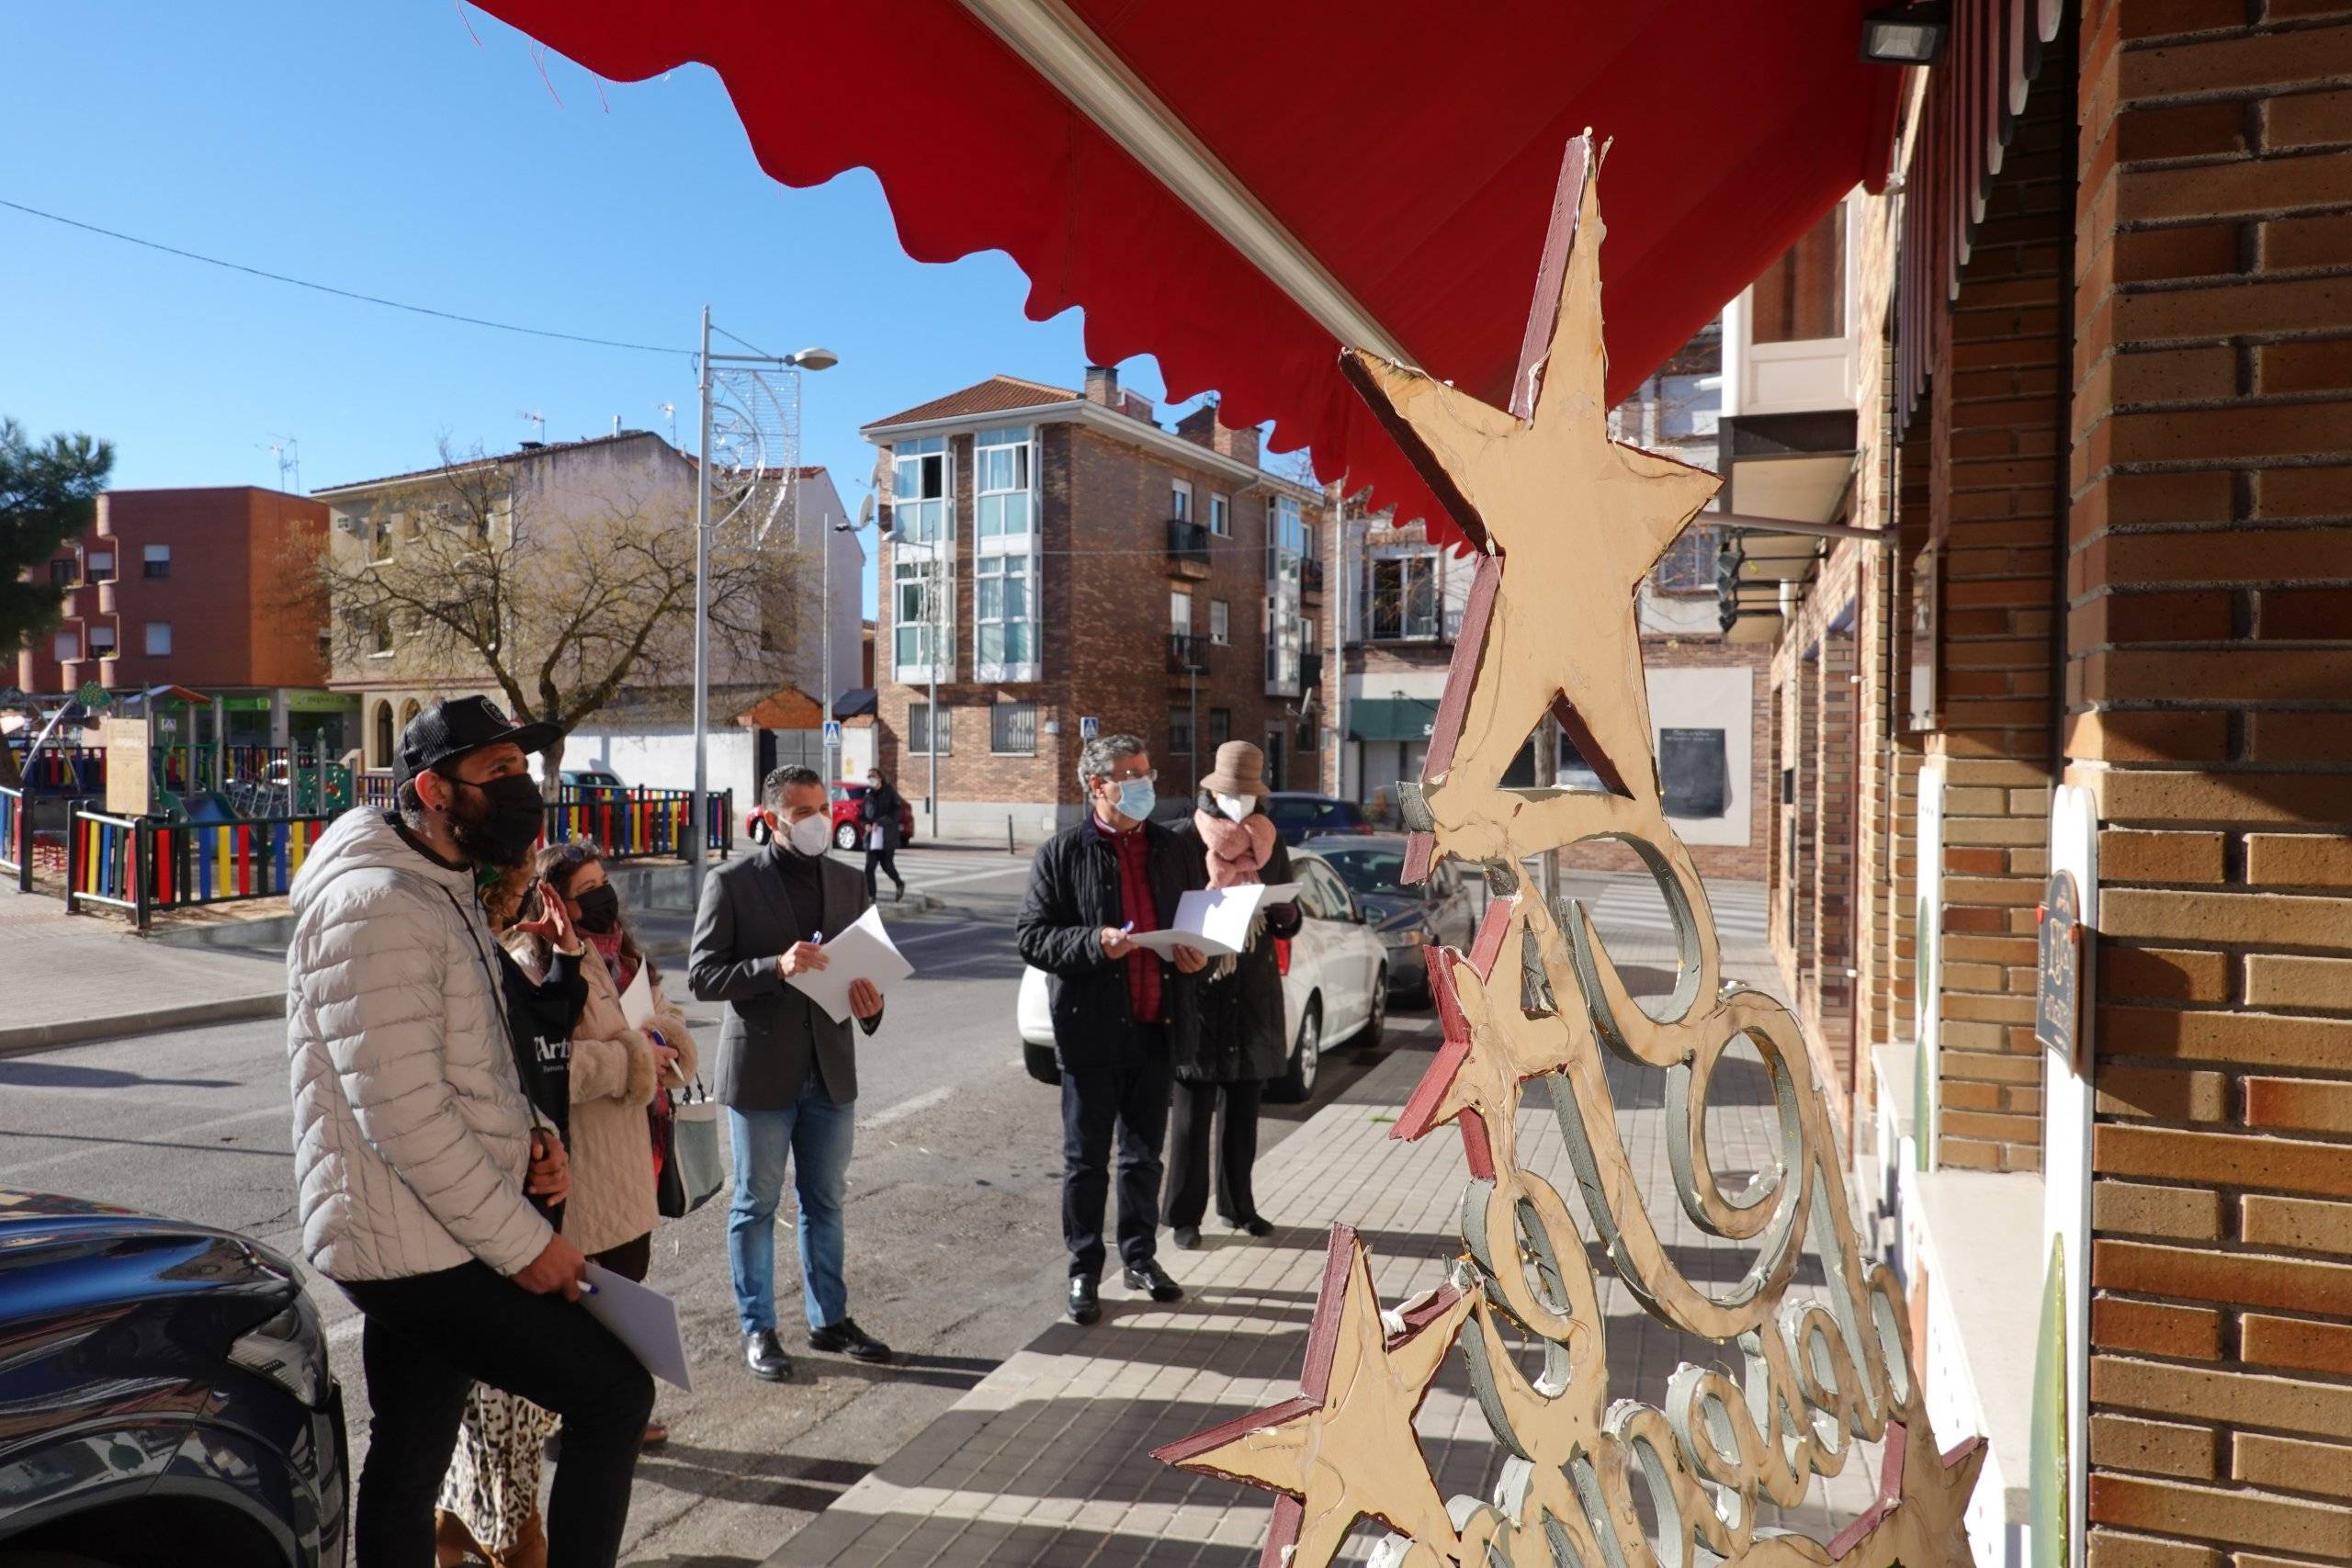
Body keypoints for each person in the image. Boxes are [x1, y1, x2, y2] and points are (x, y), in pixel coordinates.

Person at [285, 695, 654, 1568]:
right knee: (612, 1394)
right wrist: (529, 1245)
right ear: (431, 788)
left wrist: (531, 1132)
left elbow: (473, 1057)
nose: (523, 791)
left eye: (524, 770)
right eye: (498, 774)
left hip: (429, 1229)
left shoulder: (437, 887)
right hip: (411, 1243)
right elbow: (405, 1118)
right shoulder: (377, 904)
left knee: (411, 1453)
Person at [690, 764, 892, 1381]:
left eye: (822, 808)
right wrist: (772, 967)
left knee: (825, 1199)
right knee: (755, 1202)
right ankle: (759, 1328)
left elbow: (870, 973)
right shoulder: (732, 882)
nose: (818, 821)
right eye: (803, 812)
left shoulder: (848, 879)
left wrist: (873, 1004)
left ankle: (829, 1318)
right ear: (772, 816)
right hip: (761, 1071)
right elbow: (702, 976)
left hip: (828, 1070)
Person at [503, 840, 698, 1437]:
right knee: (576, 1305)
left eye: (603, 881)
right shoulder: (530, 962)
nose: (602, 895)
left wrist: (665, 1043)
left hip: (633, 1163)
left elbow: (669, 1020)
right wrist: (635, 1058)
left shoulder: (624, 956)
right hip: (578, 1167)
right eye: (585, 888)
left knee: (626, 1294)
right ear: (552, 900)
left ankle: (619, 1409)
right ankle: (579, 1417)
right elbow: (544, 1064)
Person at [1014, 734, 1206, 1325]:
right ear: (1098, 786)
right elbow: (1032, 937)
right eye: (1132, 774)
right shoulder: (1061, 853)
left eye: (1147, 771)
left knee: (1144, 1157)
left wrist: (1196, 954)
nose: (1146, 782)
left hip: (1158, 1024)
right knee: (1086, 1162)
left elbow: (1191, 919)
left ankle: (1141, 1258)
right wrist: (1094, 943)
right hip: (1092, 1032)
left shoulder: (1172, 849)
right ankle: (1083, 1271)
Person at [433, 867, 592, 1568]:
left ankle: (486, 1531)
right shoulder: (454, 959)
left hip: (526, 1221)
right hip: (475, 1242)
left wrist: (563, 958)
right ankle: (496, 1536)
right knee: (468, 1439)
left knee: (498, 1441)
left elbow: (543, 1050)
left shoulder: (504, 961)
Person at [1164, 742, 1298, 1249]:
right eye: (1231, 795)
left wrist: (1285, 915)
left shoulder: (1270, 840)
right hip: (1201, 985)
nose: (1241, 805)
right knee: (1191, 1117)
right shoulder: (1182, 838)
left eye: (1248, 795)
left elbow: (1287, 911)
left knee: (1244, 1114)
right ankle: (1183, 1217)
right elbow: (1169, 909)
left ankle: (1240, 1207)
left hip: (1253, 988)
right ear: (1212, 794)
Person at [859, 767, 909, 903]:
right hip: (871, 837)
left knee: (887, 865)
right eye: (869, 776)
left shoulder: (889, 792)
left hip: (887, 836)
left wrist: (880, 822)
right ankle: (871, 896)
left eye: (873, 776)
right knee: (869, 867)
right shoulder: (868, 795)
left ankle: (899, 883)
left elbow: (896, 813)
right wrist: (866, 825)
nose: (871, 778)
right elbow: (862, 816)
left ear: (880, 778)